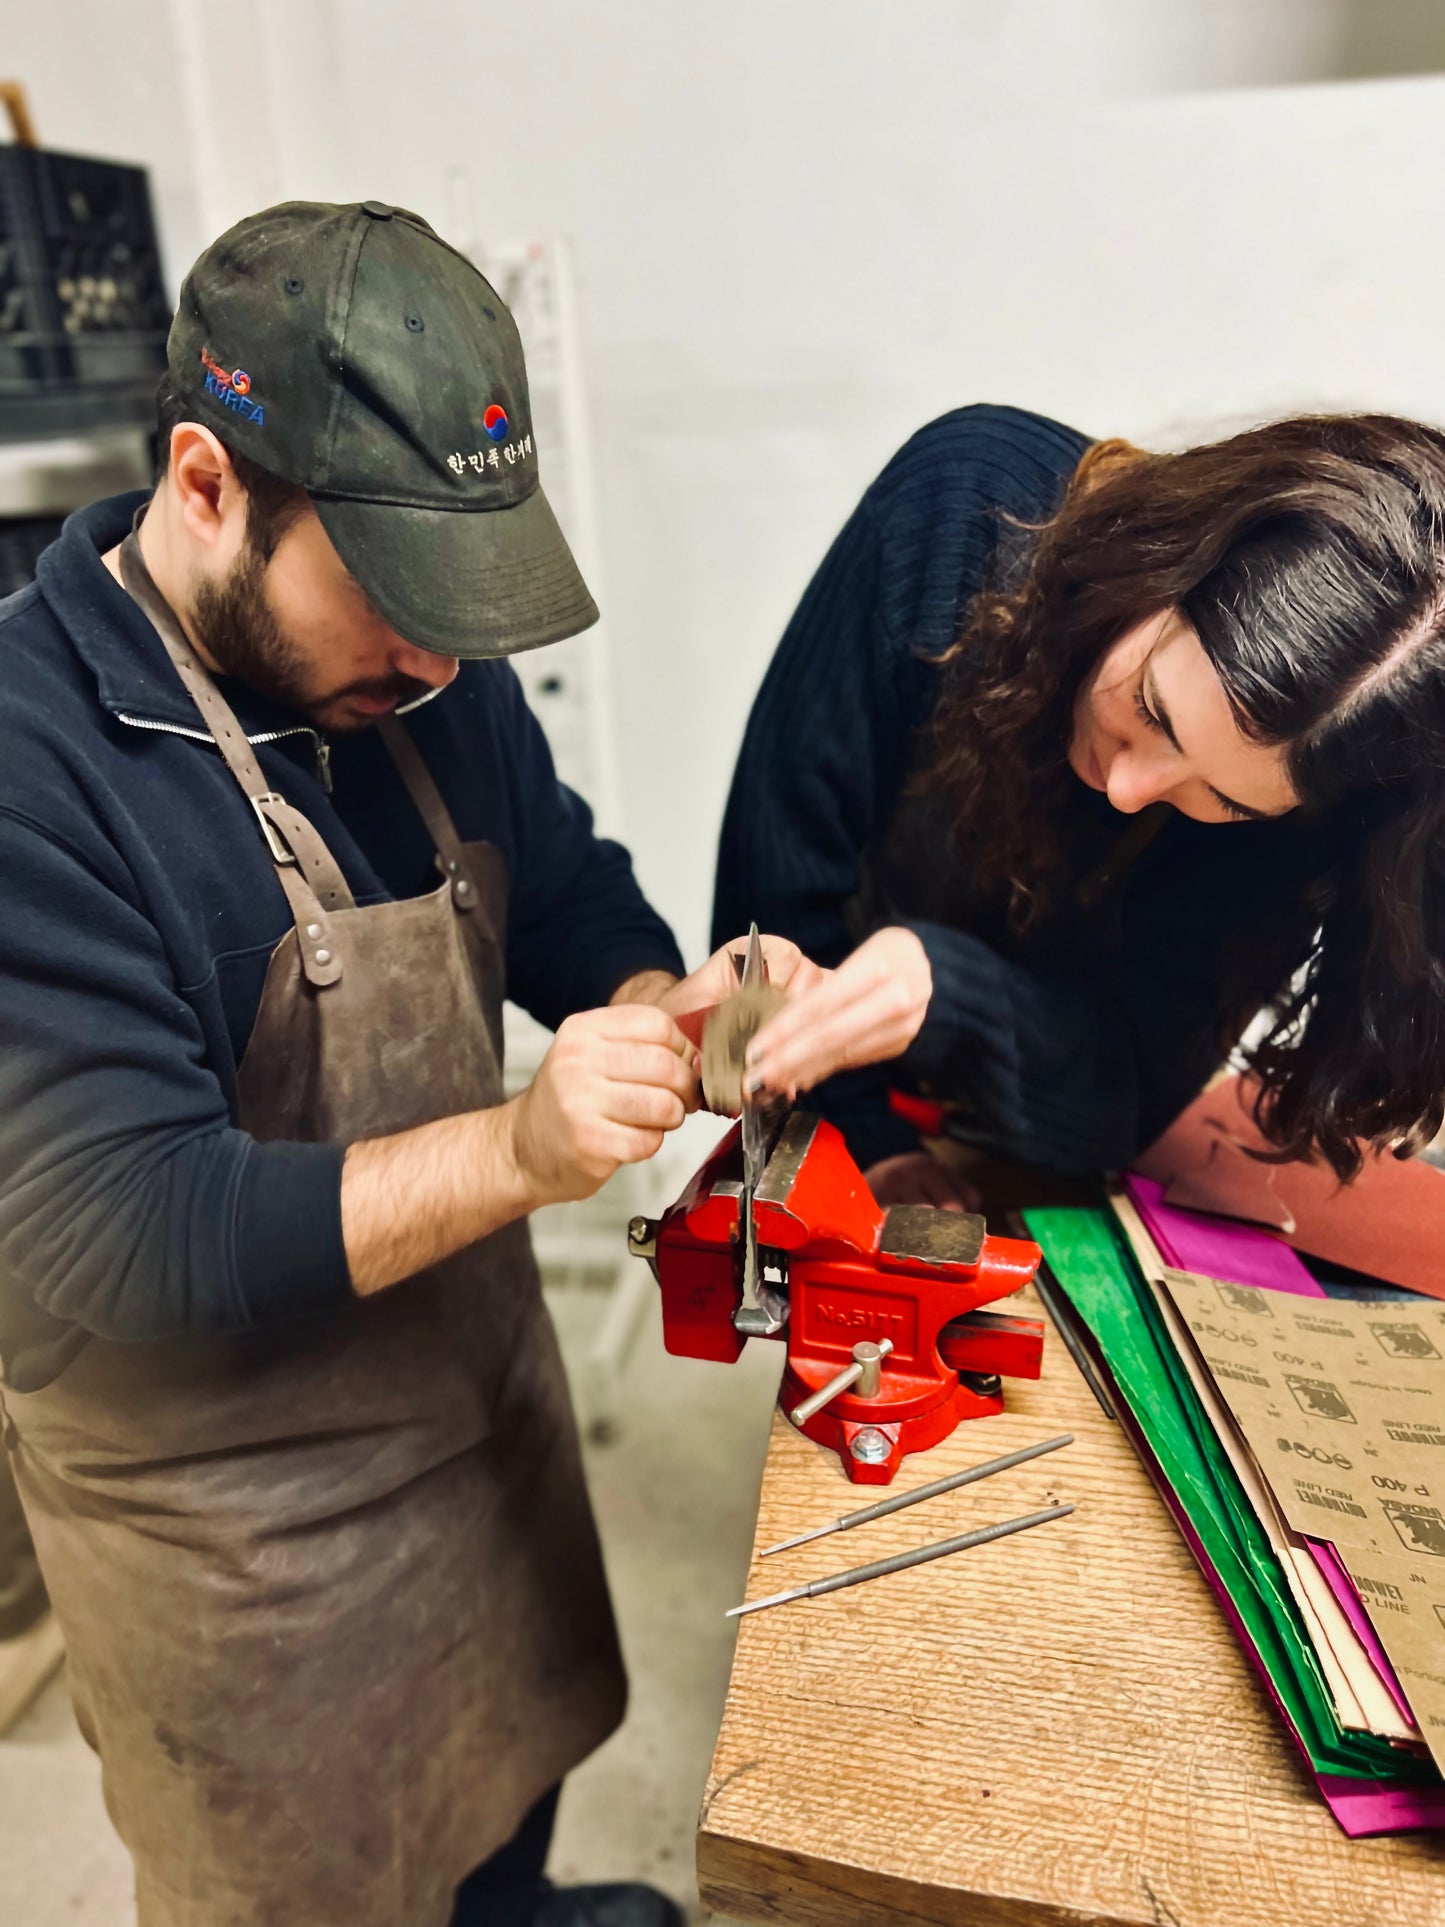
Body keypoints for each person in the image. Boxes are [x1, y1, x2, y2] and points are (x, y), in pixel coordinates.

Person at [0, 201, 923, 1927]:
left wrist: (691, 1007)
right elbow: (113, 1231)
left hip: (468, 1433)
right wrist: (519, 1152)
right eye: (392, 597)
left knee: (500, 1811)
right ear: (206, 483)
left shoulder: (416, 684)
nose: (435, 657)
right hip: (241, 1550)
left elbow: (563, 890)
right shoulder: (32, 769)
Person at [718, 404, 1445, 1205]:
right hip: (823, 1129)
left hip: (1019, 1171)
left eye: (1223, 799)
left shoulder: (1303, 820)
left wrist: (947, 994)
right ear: (1160, 565)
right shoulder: (963, 510)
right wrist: (865, 1139)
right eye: (1150, 707)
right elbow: (765, 915)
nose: (1130, 789)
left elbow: (1124, 1101)